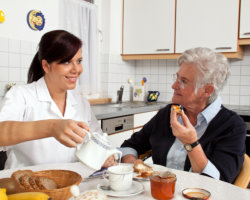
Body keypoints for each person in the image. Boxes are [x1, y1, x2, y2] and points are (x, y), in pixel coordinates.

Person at [120, 47, 246, 183]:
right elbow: (129, 146)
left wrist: (191, 143)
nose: (174, 85)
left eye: (184, 81)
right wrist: (132, 163)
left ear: (207, 90)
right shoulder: (168, 113)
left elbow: (220, 183)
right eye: (177, 77)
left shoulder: (232, 126)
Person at [0, 30, 116, 169]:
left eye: (79, 61)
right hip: (24, 186)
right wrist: (52, 127)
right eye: (67, 62)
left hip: (71, 184)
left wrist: (105, 155)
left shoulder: (81, 103)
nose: (76, 69)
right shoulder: (21, 95)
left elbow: (96, 138)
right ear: (46, 66)